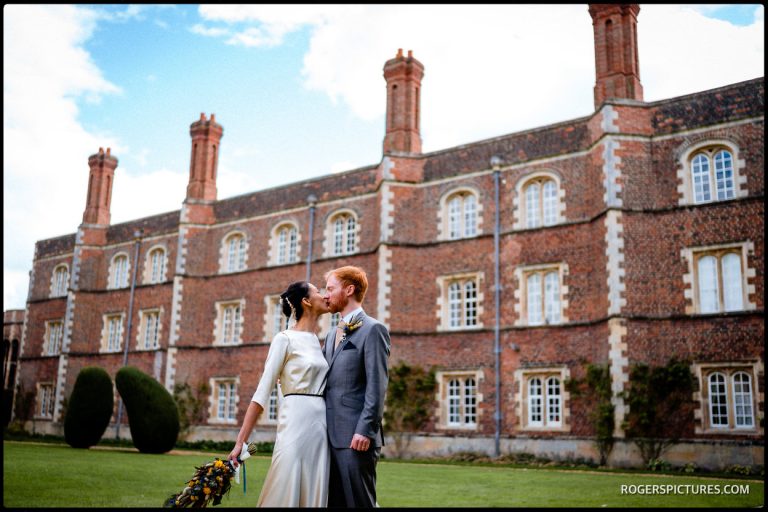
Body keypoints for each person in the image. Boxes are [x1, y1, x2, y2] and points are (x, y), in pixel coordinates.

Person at [227, 281, 330, 507]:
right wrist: (240, 442)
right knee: (286, 483)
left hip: (321, 428)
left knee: (315, 488)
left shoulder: (316, 340)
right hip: (295, 423)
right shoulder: (284, 339)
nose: (325, 296)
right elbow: (262, 393)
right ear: (306, 301)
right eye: (318, 292)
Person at [322, 266, 391, 507]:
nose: (325, 295)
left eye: (330, 289)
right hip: (328, 437)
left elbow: (377, 384)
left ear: (349, 289)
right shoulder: (331, 334)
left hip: (355, 437)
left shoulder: (373, 329)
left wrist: (365, 430)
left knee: (360, 503)